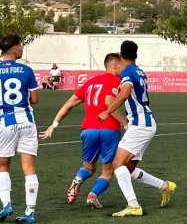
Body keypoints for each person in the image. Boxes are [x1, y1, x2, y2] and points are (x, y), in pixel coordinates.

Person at [97, 40, 176, 217]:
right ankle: (165, 186)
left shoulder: (128, 73)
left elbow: (125, 94)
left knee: (117, 163)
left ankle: (133, 205)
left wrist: (107, 111)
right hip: (143, 123)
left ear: (121, 54)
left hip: (141, 124)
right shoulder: (139, 71)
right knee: (128, 169)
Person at [40, 53, 128, 209]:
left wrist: (54, 124)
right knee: (107, 172)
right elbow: (109, 104)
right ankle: (92, 196)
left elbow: (69, 104)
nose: (124, 68)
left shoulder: (90, 82)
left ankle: (77, 180)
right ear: (115, 66)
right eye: (122, 65)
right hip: (109, 129)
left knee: (88, 167)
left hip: (89, 130)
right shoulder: (116, 81)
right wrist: (125, 123)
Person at [0, 34, 41, 224]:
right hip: (27, 122)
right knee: (29, 168)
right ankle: (30, 212)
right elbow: (35, 100)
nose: (22, 48)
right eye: (20, 46)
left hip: (5, 123)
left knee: (3, 165)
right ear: (14, 49)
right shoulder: (27, 70)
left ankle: (7, 204)